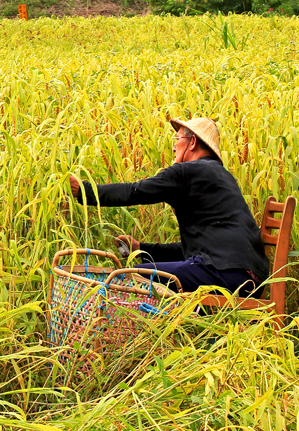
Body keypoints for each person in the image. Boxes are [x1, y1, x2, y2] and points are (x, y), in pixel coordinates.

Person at [68, 116, 268, 296]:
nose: (173, 147)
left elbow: (135, 191)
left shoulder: (187, 171)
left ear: (192, 142)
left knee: (132, 277)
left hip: (223, 275)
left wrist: (84, 192)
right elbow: (199, 247)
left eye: (177, 139)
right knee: (146, 269)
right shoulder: (224, 178)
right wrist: (142, 248)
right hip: (251, 281)